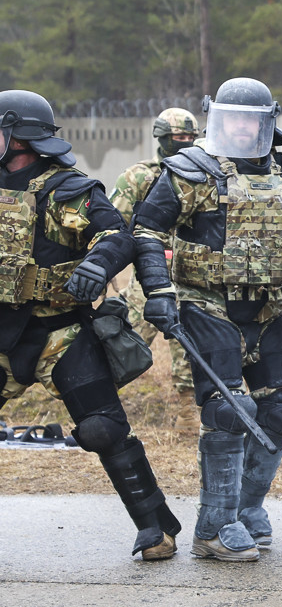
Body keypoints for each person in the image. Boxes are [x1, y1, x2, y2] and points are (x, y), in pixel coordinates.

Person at [132, 77, 282, 562]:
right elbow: (148, 229)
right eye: (232, 118)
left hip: (270, 306)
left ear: (267, 123)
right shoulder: (192, 170)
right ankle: (213, 527)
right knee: (230, 410)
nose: (241, 127)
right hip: (207, 303)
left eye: (250, 120)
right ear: (216, 119)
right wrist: (159, 291)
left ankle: (246, 508)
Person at [0, 89, 181, 560]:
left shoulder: (67, 189)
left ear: (18, 138)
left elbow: (116, 235)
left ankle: (156, 529)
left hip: (60, 332)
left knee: (103, 428)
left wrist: (97, 265)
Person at [110, 108, 198, 415]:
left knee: (191, 347)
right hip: (148, 274)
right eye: (179, 136)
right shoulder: (139, 176)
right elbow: (114, 223)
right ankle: (98, 403)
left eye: (191, 136)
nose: (186, 141)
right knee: (123, 341)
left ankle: (188, 413)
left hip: (191, 274)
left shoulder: (204, 175)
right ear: (162, 137)